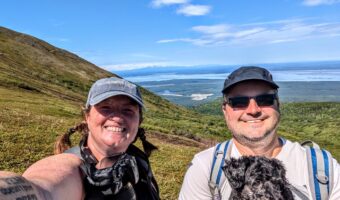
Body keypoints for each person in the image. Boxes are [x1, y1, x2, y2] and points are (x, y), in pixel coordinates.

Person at [179, 66, 340, 200]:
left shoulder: (324, 169)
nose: (253, 110)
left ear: (278, 105)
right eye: (239, 102)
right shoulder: (204, 169)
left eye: (265, 100)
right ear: (224, 111)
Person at [0, 77, 160, 200]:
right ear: (87, 116)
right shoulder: (74, 168)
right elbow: (42, 189)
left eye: (128, 110)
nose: (117, 117)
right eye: (105, 107)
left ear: (139, 120)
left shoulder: (135, 157)